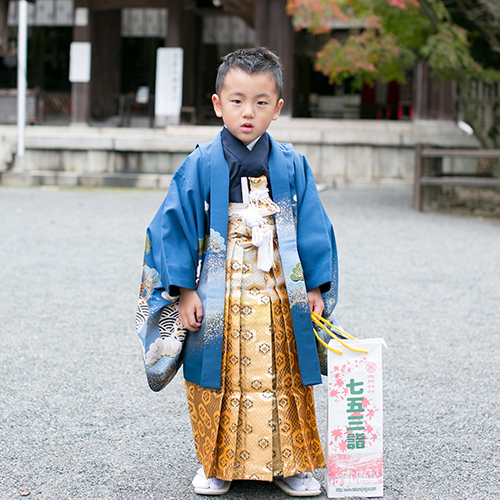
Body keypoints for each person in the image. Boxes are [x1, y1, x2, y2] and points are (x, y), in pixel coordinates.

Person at [139, 48, 339, 497]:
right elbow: (169, 228)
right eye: (237, 100)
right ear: (217, 103)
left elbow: (314, 227)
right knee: (219, 371)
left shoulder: (291, 164)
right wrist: (184, 291)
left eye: (261, 102)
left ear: (278, 107)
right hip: (218, 289)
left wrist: (317, 286)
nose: (248, 112)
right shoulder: (201, 163)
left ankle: (292, 463)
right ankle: (215, 462)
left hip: (279, 287)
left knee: (284, 371)